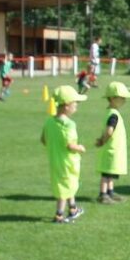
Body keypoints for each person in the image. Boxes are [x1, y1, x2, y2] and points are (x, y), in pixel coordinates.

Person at [41, 85, 87, 223]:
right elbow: (70, 145)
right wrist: (80, 148)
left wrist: (55, 147)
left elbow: (43, 139)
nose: (77, 106)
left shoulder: (49, 121)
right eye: (75, 103)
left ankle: (72, 208)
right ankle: (59, 215)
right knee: (64, 188)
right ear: (67, 105)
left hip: (55, 160)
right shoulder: (69, 124)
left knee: (67, 185)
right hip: (68, 161)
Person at [95, 81, 130, 204]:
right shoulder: (113, 115)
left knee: (111, 172)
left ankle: (110, 192)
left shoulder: (112, 113)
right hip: (110, 149)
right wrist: (103, 140)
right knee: (106, 173)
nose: (124, 100)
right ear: (112, 98)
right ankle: (103, 194)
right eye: (122, 98)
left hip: (113, 149)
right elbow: (110, 130)